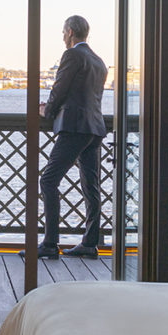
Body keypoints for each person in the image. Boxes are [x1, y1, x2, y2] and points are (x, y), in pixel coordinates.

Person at [34, 14, 106, 260]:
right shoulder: (99, 61)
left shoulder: (72, 55)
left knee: (48, 180)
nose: (63, 37)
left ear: (71, 32)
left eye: (64, 32)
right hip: (95, 128)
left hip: (74, 127)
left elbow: (60, 88)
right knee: (91, 186)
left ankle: (50, 243)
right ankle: (89, 242)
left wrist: (47, 111)